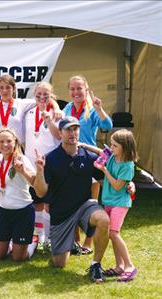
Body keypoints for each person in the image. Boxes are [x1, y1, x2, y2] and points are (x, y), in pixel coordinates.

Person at [34, 116, 111, 283]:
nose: (72, 133)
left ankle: (96, 265)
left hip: (85, 207)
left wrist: (128, 185)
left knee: (104, 220)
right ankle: (65, 246)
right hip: (61, 213)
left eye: (75, 129)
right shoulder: (50, 158)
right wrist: (39, 171)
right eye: (68, 129)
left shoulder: (88, 156)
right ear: (60, 133)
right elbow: (40, 193)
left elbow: (111, 162)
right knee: (58, 263)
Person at [63, 75, 113, 255]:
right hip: (70, 158)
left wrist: (99, 109)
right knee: (71, 200)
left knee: (89, 201)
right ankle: (75, 240)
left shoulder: (91, 110)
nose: (76, 92)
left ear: (86, 89)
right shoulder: (67, 108)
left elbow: (107, 125)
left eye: (79, 88)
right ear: (69, 91)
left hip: (89, 159)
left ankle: (88, 241)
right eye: (73, 89)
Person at [82, 129, 138, 282]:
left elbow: (117, 186)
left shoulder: (127, 165)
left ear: (124, 147)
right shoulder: (113, 156)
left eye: (114, 146)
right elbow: (101, 151)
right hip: (109, 202)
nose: (110, 148)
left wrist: (104, 170)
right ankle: (119, 266)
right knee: (112, 235)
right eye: (111, 145)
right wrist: (85, 146)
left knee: (114, 233)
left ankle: (129, 266)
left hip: (120, 203)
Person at [0, 128, 38, 261]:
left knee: (18, 258)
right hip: (4, 212)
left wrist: (23, 171)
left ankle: (32, 242)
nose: (5, 144)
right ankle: (12, 243)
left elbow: (35, 183)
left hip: (22, 211)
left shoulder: (22, 159)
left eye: (8, 141)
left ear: (15, 142)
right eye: (1, 141)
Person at [23, 82, 61, 250]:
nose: (42, 97)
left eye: (46, 94)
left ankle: (49, 238)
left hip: (50, 164)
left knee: (49, 203)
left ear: (51, 94)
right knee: (36, 202)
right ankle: (39, 237)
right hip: (32, 163)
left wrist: (50, 120)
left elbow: (59, 136)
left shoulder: (57, 113)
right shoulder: (29, 112)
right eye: (38, 94)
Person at [0, 75, 61, 145]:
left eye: (8, 87)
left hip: (17, 149)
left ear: (14, 89)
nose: (4, 91)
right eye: (1, 87)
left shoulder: (22, 104)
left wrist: (57, 109)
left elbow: (44, 99)